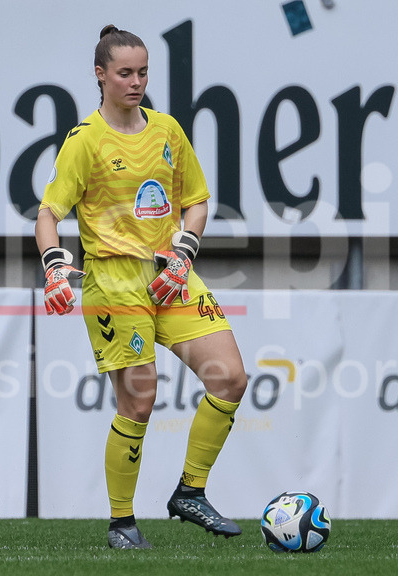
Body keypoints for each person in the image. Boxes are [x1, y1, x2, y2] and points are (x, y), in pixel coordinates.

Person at [35, 24, 249, 550]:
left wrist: (184, 253)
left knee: (230, 378)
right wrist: (55, 268)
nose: (136, 82)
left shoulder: (168, 130)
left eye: (143, 72)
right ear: (100, 75)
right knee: (139, 400)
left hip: (170, 275)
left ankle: (190, 492)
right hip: (113, 281)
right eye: (125, 73)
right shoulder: (85, 140)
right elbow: (48, 214)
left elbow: (196, 200)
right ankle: (122, 523)